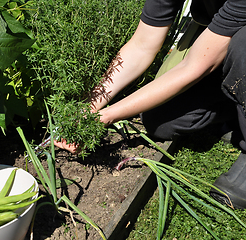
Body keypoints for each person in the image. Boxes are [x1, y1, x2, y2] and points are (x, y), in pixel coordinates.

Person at [54, 0, 246, 210]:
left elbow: (195, 66)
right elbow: (142, 45)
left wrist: (106, 116)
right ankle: (239, 103)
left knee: (242, 45)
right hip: (222, 34)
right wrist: (91, 106)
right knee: (160, 120)